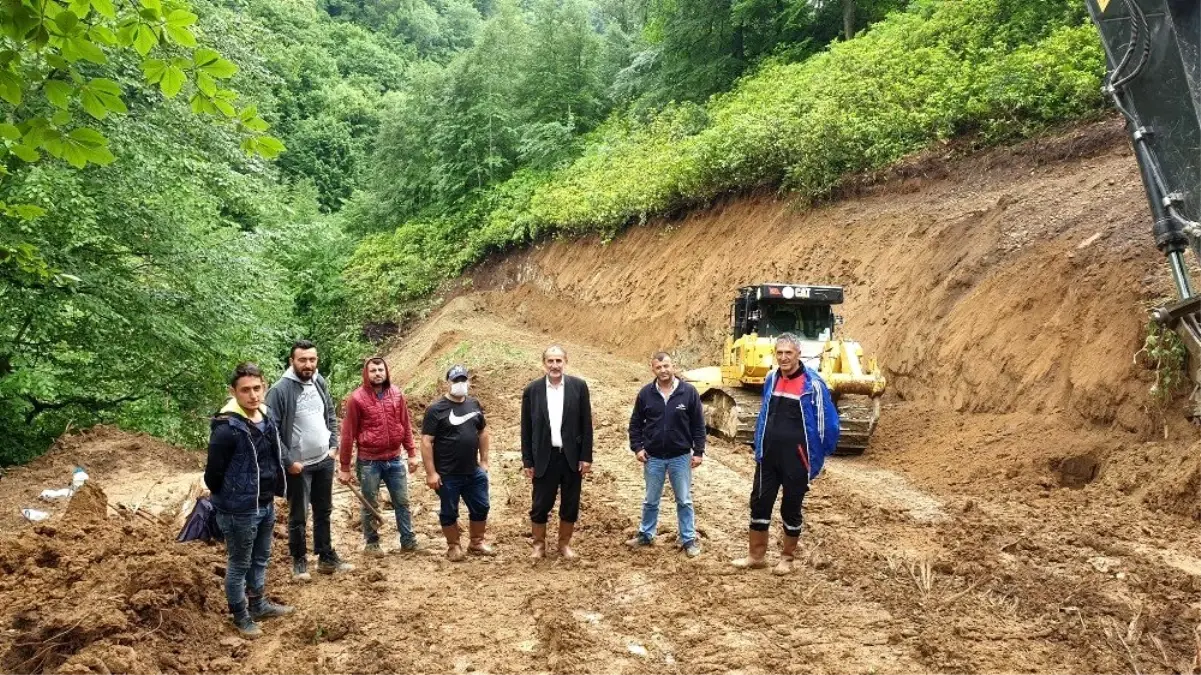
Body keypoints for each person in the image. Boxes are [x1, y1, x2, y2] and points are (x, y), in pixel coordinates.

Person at [732, 333, 839, 575]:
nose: (783, 358)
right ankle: (755, 556)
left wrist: (814, 459)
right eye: (779, 353)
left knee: (790, 508)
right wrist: (759, 446)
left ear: (798, 354)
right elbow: (764, 414)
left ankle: (787, 559)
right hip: (768, 457)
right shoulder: (771, 378)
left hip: (796, 459)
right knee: (759, 503)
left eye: (788, 353)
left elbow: (828, 426)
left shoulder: (813, 385)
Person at [204, 362, 294, 638]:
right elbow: (212, 476)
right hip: (238, 509)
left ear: (264, 387)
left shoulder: (266, 417)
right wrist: (233, 495)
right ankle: (240, 615)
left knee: (261, 558)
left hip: (264, 503)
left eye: (257, 388)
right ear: (233, 392)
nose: (253, 395)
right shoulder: (226, 428)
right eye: (246, 390)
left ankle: (258, 604)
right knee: (239, 563)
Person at [265, 340, 352, 580]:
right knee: (298, 514)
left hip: (324, 459)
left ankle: (325, 556)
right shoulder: (279, 391)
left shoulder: (319, 381)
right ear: (292, 361)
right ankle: (299, 560)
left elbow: (330, 415)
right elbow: (270, 431)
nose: (308, 365)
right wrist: (288, 461)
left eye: (312, 360)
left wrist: (333, 445)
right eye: (302, 360)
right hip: (298, 466)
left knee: (323, 510)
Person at [626, 352, 706, 558]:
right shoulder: (646, 394)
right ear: (653, 369)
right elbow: (635, 424)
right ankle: (646, 534)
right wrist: (637, 447)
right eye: (659, 367)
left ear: (673, 366)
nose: (663, 370)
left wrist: (698, 452)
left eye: (666, 366)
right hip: (653, 457)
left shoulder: (688, 392)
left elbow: (699, 424)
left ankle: (688, 539)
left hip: (680, 457)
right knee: (651, 500)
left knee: (684, 500)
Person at [338, 356, 420, 555]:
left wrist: (411, 453)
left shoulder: (397, 394)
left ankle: (408, 541)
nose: (377, 374)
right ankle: (372, 543)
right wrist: (345, 467)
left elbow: (405, 424)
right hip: (369, 461)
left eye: (380, 370)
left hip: (394, 458)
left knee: (402, 501)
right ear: (366, 374)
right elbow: (348, 434)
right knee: (369, 503)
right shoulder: (357, 399)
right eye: (373, 371)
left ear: (386, 371)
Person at [520, 345, 594, 560]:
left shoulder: (578, 387)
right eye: (550, 361)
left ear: (565, 362)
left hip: (571, 457)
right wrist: (527, 460)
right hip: (544, 457)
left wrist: (586, 456)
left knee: (570, 502)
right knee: (540, 503)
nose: (554, 365)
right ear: (544, 363)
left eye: (558, 361)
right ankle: (538, 545)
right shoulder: (532, 390)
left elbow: (586, 424)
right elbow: (526, 428)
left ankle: (564, 544)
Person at [421, 364, 494, 561]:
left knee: (481, 506)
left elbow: (483, 432)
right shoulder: (436, 410)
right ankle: (453, 545)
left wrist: (484, 461)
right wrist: (431, 473)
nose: (460, 384)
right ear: (448, 383)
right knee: (449, 510)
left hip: (473, 471)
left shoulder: (474, 405)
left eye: (463, 380)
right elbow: (427, 441)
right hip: (447, 473)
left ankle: (476, 542)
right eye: (456, 380)